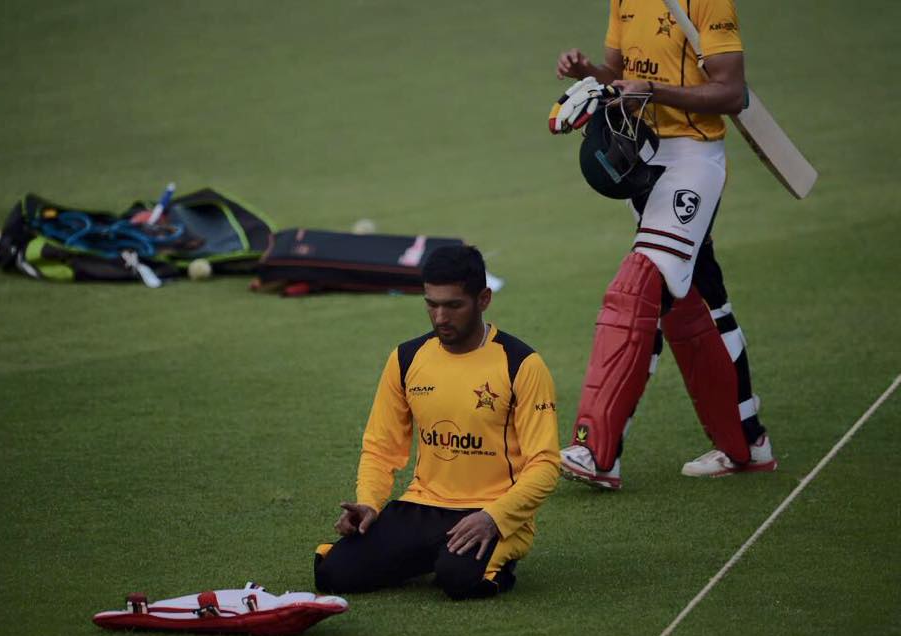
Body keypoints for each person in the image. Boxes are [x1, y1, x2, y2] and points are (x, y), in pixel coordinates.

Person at [555, 0, 778, 490]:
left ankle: (597, 450)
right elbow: (618, 73)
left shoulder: (707, 2)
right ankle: (746, 443)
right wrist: (589, 73)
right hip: (644, 153)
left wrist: (652, 92)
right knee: (694, 299)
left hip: (694, 160)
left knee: (638, 287)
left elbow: (731, 93)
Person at [314, 245, 560, 599]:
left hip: (489, 507)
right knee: (334, 575)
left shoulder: (521, 364)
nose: (440, 316)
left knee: (459, 579)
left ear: (484, 299)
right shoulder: (407, 358)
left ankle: (485, 558)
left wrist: (494, 517)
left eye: (453, 305)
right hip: (423, 505)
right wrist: (368, 503)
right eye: (431, 304)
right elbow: (381, 448)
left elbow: (545, 464)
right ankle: (427, 553)